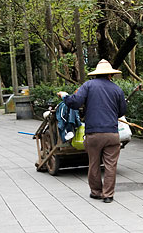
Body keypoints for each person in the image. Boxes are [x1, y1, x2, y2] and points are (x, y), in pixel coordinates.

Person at [57, 59, 126, 203]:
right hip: (112, 134)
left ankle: (96, 192)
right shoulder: (117, 89)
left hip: (93, 134)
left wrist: (64, 96)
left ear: (96, 74)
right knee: (110, 165)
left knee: (94, 163)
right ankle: (108, 195)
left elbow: (75, 103)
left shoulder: (88, 86)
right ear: (110, 75)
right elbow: (121, 112)